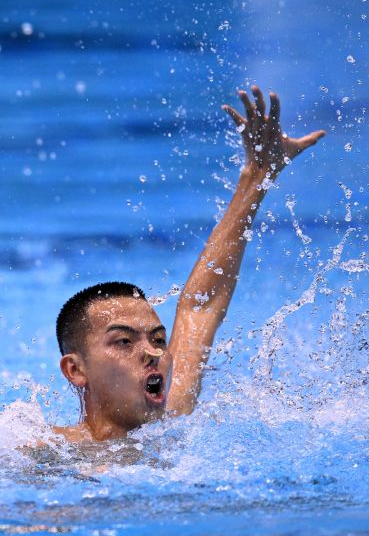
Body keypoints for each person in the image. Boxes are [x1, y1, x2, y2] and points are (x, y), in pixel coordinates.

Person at [54, 87, 325, 442]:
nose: (152, 353)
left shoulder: (172, 411)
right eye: (123, 341)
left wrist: (258, 175)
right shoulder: (49, 454)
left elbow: (201, 304)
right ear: (76, 369)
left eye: (158, 339)